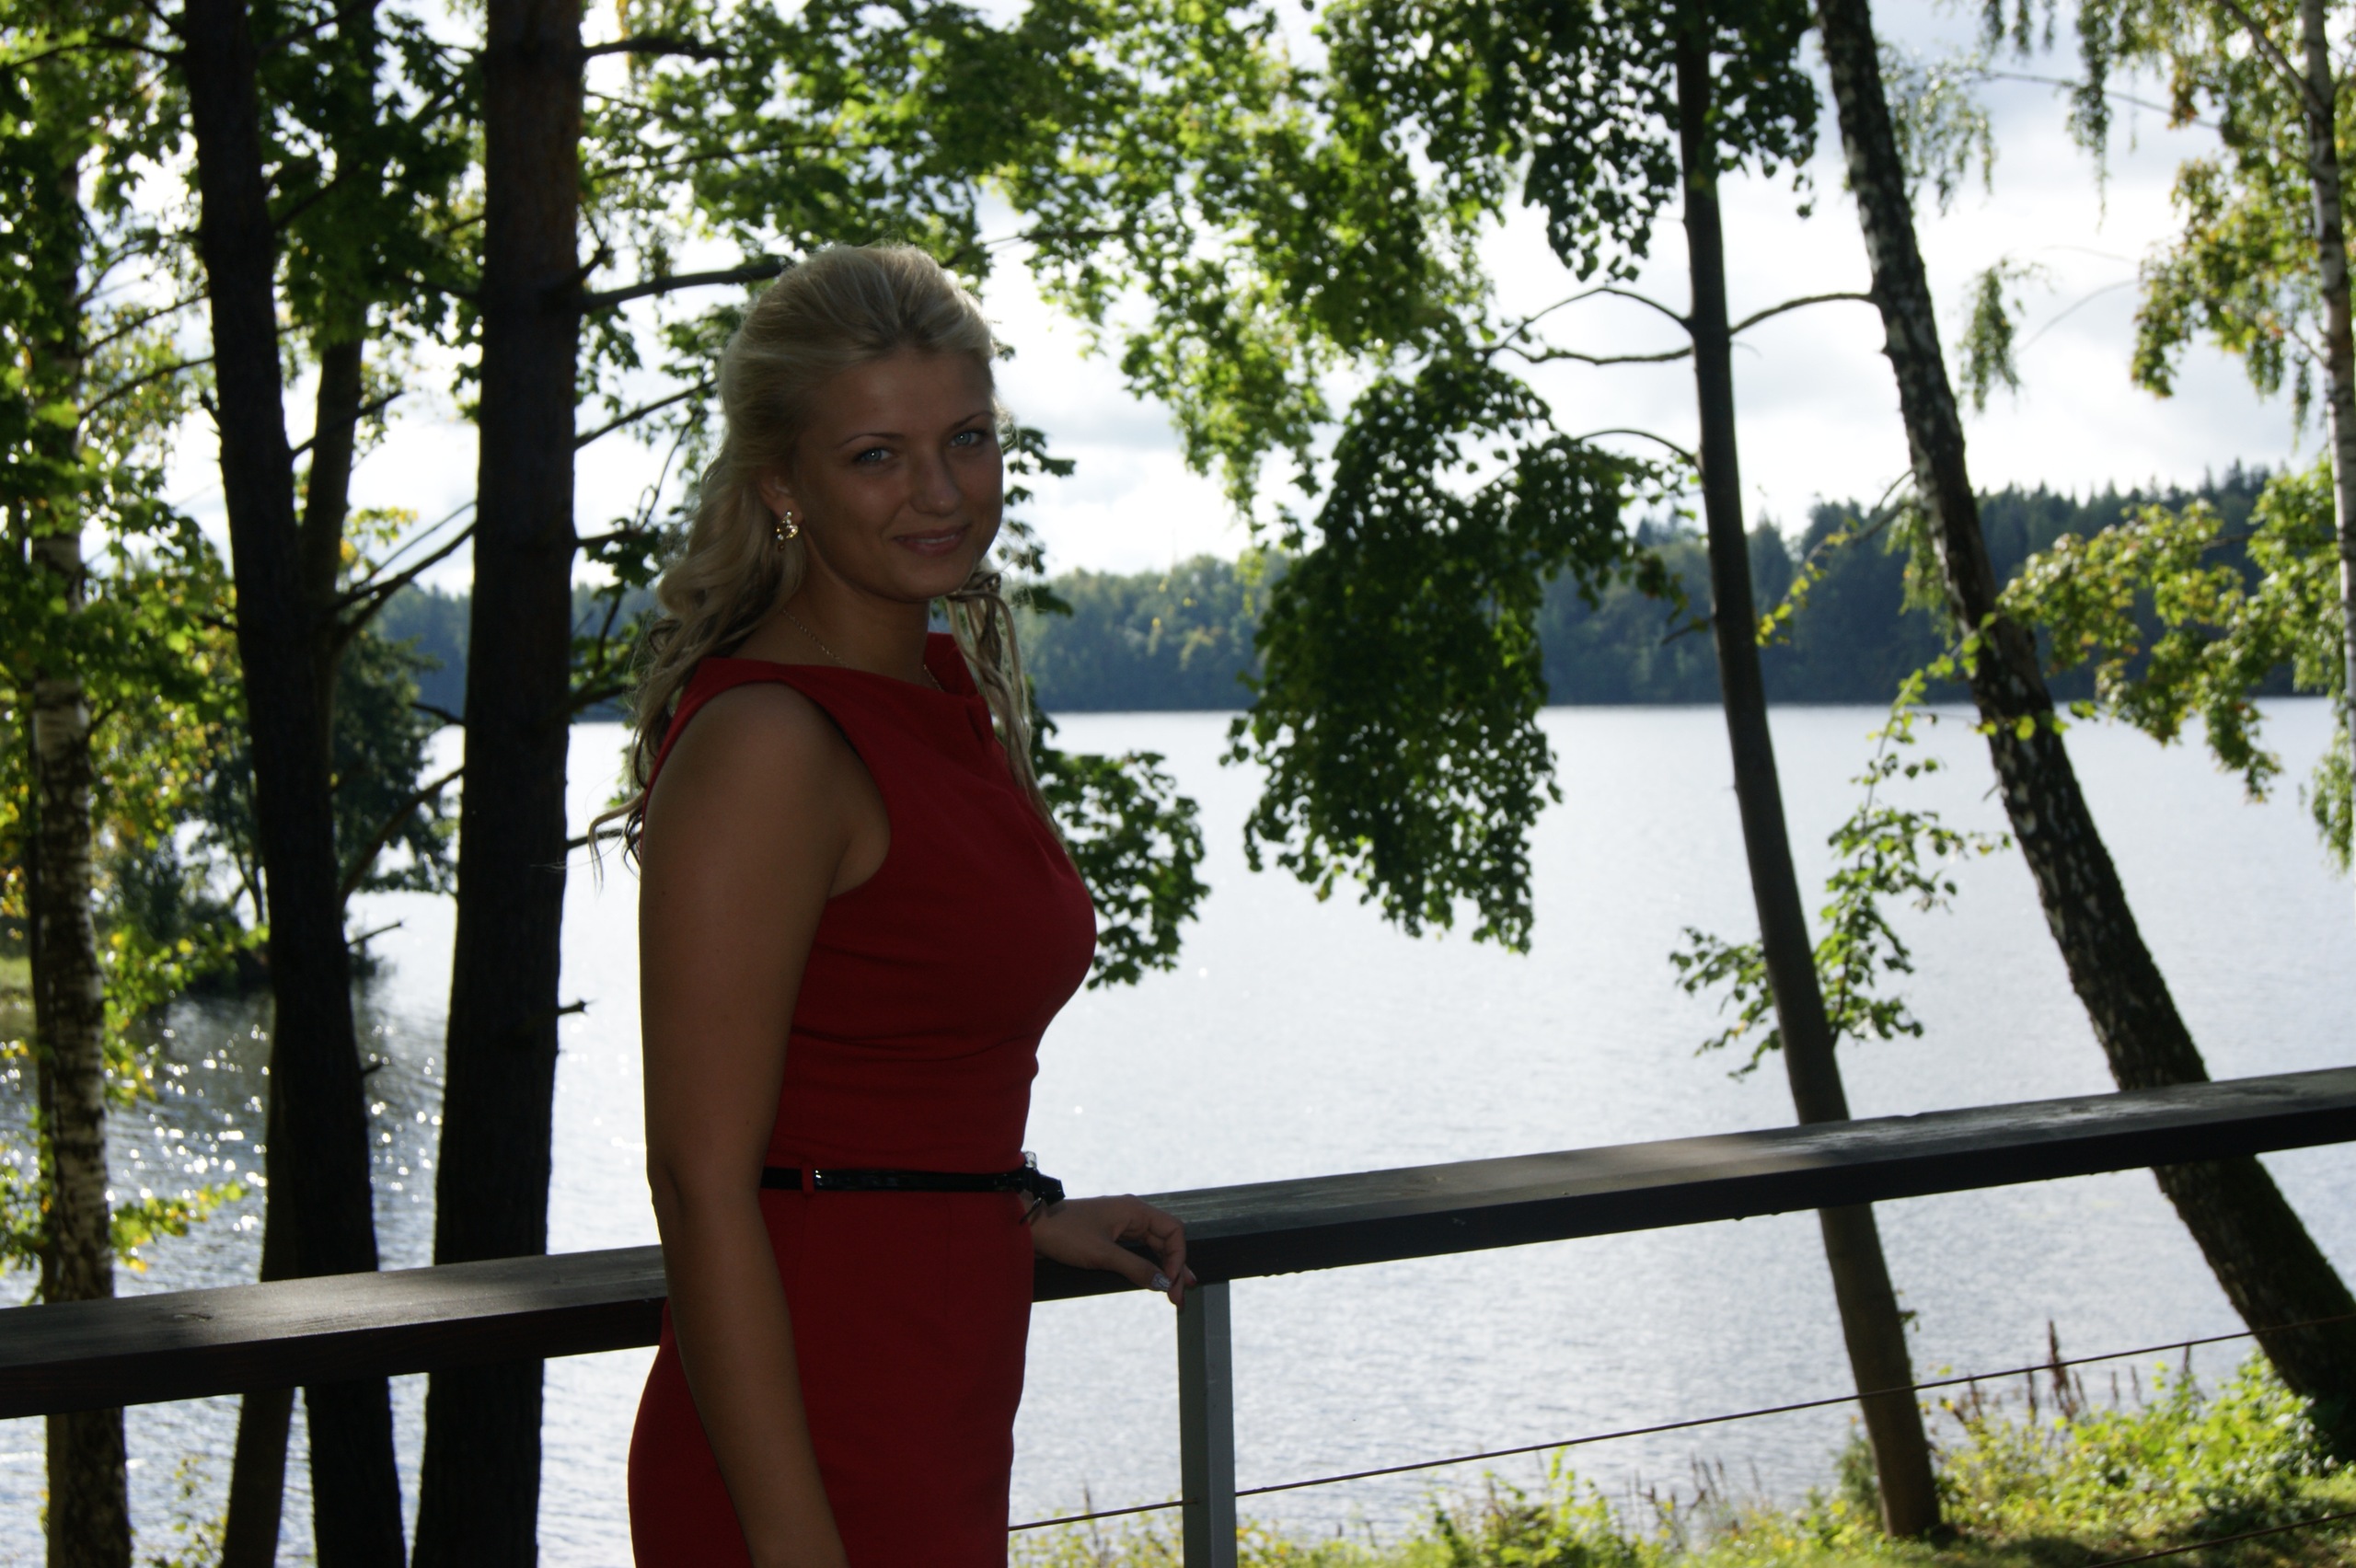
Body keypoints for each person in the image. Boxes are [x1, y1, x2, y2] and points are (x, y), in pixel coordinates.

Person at [617, 244, 1194, 1566]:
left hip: (938, 1363)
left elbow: (888, 1064)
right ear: (784, 484)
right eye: (877, 455)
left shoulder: (939, 696)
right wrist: (791, 1542)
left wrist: (1009, 1209)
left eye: (967, 439)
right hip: (809, 1422)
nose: (941, 492)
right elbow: (700, 1181)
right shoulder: (770, 741)